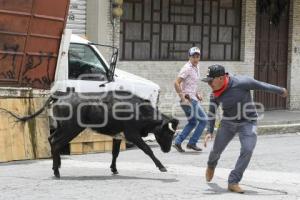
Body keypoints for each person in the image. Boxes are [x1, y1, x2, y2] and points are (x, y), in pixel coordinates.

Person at [202, 64, 288, 193]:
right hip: (228, 122)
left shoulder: (242, 82)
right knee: (216, 150)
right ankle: (211, 165)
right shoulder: (215, 94)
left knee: (248, 149)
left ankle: (233, 181)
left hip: (248, 122)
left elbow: (262, 85)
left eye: (211, 81)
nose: (209, 84)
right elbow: (212, 113)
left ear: (221, 78)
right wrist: (209, 131)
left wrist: (280, 90)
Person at [173, 47, 208, 152]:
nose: (196, 59)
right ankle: (192, 143)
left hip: (192, 98)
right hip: (188, 100)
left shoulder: (196, 67)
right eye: (193, 57)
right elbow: (176, 83)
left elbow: (191, 84)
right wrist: (183, 98)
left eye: (198, 56)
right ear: (189, 57)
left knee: (192, 122)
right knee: (204, 120)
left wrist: (197, 94)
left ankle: (178, 142)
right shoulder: (187, 68)